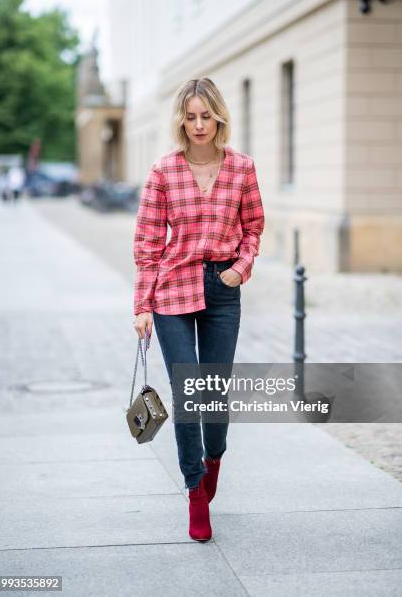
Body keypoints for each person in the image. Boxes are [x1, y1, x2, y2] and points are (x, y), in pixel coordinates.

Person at [133, 77, 265, 542]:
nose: (199, 125)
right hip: (173, 289)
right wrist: (142, 305)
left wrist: (239, 269)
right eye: (190, 117)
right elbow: (148, 244)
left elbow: (253, 229)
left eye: (206, 115)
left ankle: (214, 459)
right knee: (188, 389)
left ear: (220, 117)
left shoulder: (242, 169)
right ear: (180, 121)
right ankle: (194, 489)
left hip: (223, 289)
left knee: (214, 392)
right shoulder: (163, 172)